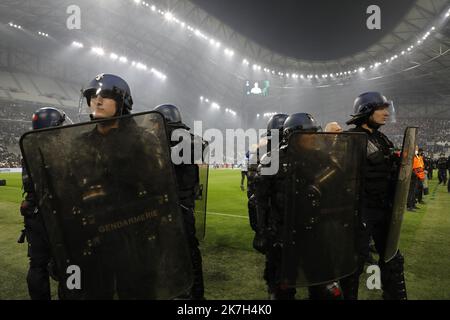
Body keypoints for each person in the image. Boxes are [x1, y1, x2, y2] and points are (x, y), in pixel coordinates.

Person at [255, 113, 343, 300]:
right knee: (282, 289)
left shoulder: (321, 158)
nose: (313, 137)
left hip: (315, 232)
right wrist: (261, 232)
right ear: (292, 135)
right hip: (282, 235)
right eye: (308, 133)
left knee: (322, 287)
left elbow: (337, 187)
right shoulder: (271, 160)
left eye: (314, 132)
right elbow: (260, 200)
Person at [341, 92, 407, 300]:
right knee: (354, 264)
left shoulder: (382, 139)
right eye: (381, 109)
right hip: (360, 212)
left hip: (382, 210)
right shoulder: (352, 138)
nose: (386, 113)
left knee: (393, 259)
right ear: (366, 111)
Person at [153, 104, 205, 300]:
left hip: (179, 208)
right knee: (185, 253)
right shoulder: (176, 141)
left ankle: (191, 295)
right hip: (178, 207)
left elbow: (200, 146)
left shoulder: (181, 140)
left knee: (184, 253)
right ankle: (193, 294)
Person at [19, 107, 66, 300]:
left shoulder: (28, 148)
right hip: (54, 215)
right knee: (70, 264)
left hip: (33, 215)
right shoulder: (55, 151)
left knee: (37, 265)